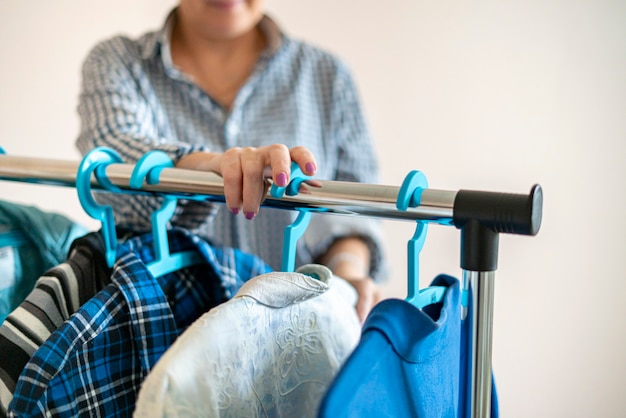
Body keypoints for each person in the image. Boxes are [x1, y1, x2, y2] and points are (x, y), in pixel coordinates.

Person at [75, 0, 385, 321]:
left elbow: (354, 212)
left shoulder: (328, 76)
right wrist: (206, 166)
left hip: (305, 335)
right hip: (165, 333)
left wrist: (347, 273)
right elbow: (112, 157)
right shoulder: (119, 63)